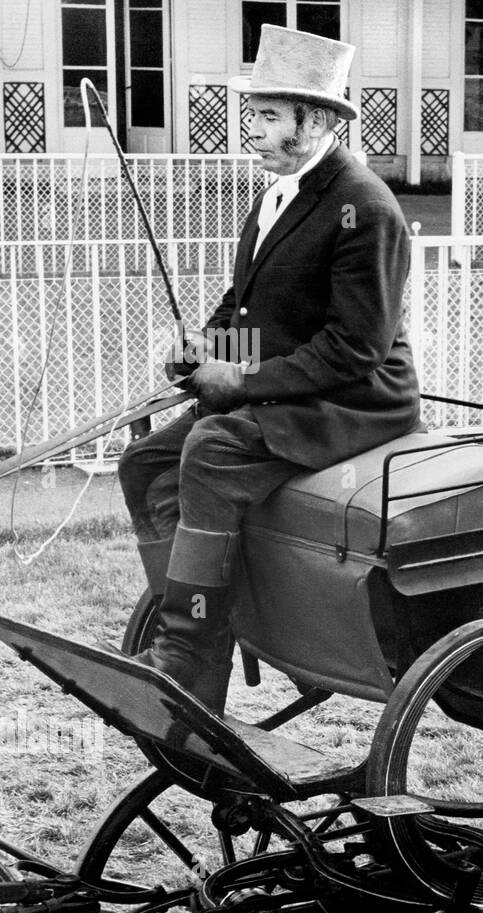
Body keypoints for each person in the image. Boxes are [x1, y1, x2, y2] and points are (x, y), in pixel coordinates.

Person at [115, 26, 421, 712]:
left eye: (267, 117)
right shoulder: (276, 195)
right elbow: (247, 305)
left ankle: (184, 649)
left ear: (314, 121)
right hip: (292, 390)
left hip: (357, 402)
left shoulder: (364, 208)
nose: (250, 130)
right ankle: (201, 630)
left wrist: (242, 384)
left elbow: (355, 348)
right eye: (251, 115)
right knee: (142, 464)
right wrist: (209, 349)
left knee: (213, 447)